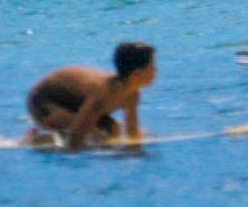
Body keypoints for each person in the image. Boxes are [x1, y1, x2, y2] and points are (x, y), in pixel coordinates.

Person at [24, 42, 156, 149]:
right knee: (87, 138)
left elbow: (132, 131)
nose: (155, 73)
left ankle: (46, 136)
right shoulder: (103, 95)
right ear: (137, 74)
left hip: (76, 102)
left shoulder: (132, 94)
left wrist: (136, 152)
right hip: (44, 102)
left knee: (111, 131)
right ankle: (35, 141)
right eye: (152, 69)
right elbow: (75, 138)